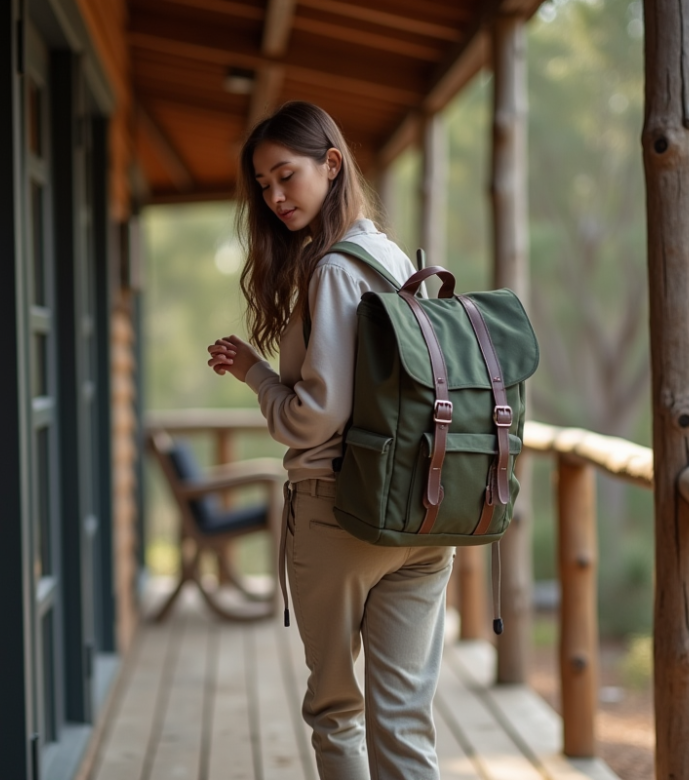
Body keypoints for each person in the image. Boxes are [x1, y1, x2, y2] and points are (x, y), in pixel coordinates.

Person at [206, 101, 453, 780]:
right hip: (422, 513)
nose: (275, 196)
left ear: (332, 164)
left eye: (285, 176)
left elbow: (315, 418)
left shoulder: (335, 271)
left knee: (337, 712)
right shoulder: (393, 256)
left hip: (341, 513)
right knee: (404, 718)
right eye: (262, 185)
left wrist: (257, 377)